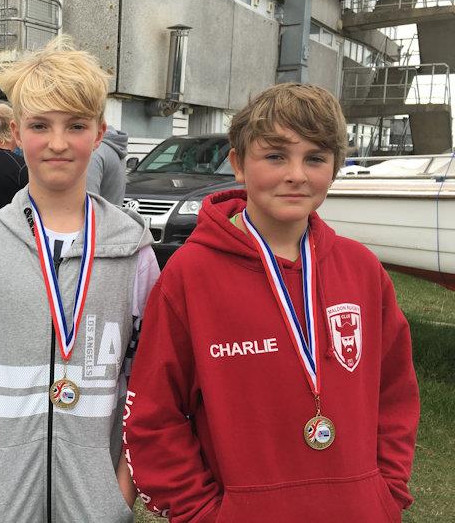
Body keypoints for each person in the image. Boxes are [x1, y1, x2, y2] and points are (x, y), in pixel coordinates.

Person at [123, 83, 420, 522]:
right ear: (239, 164)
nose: (296, 174)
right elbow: (153, 414)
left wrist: (385, 491)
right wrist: (202, 513)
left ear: (335, 167)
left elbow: (395, 394)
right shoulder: (191, 275)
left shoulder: (362, 271)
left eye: (315, 158)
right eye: (276, 156)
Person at [0, 37, 160, 522]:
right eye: (41, 125)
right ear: (16, 132)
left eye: (75, 125)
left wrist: (122, 487)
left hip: (98, 499)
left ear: (98, 133)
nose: (58, 143)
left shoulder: (134, 250)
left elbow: (147, 379)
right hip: (0, 496)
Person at [86, 124, 128, 206]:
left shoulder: (94, 152)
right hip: (113, 216)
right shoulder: (114, 148)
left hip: (98, 217)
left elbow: (88, 205)